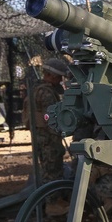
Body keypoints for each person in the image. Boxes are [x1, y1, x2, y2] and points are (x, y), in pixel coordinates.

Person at [26, 57, 71, 186]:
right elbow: (50, 118)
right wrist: (59, 133)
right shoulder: (46, 93)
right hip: (49, 139)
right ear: (51, 76)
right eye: (58, 77)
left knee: (47, 169)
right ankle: (54, 202)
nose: (60, 81)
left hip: (40, 137)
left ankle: (52, 200)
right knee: (53, 170)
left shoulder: (36, 89)